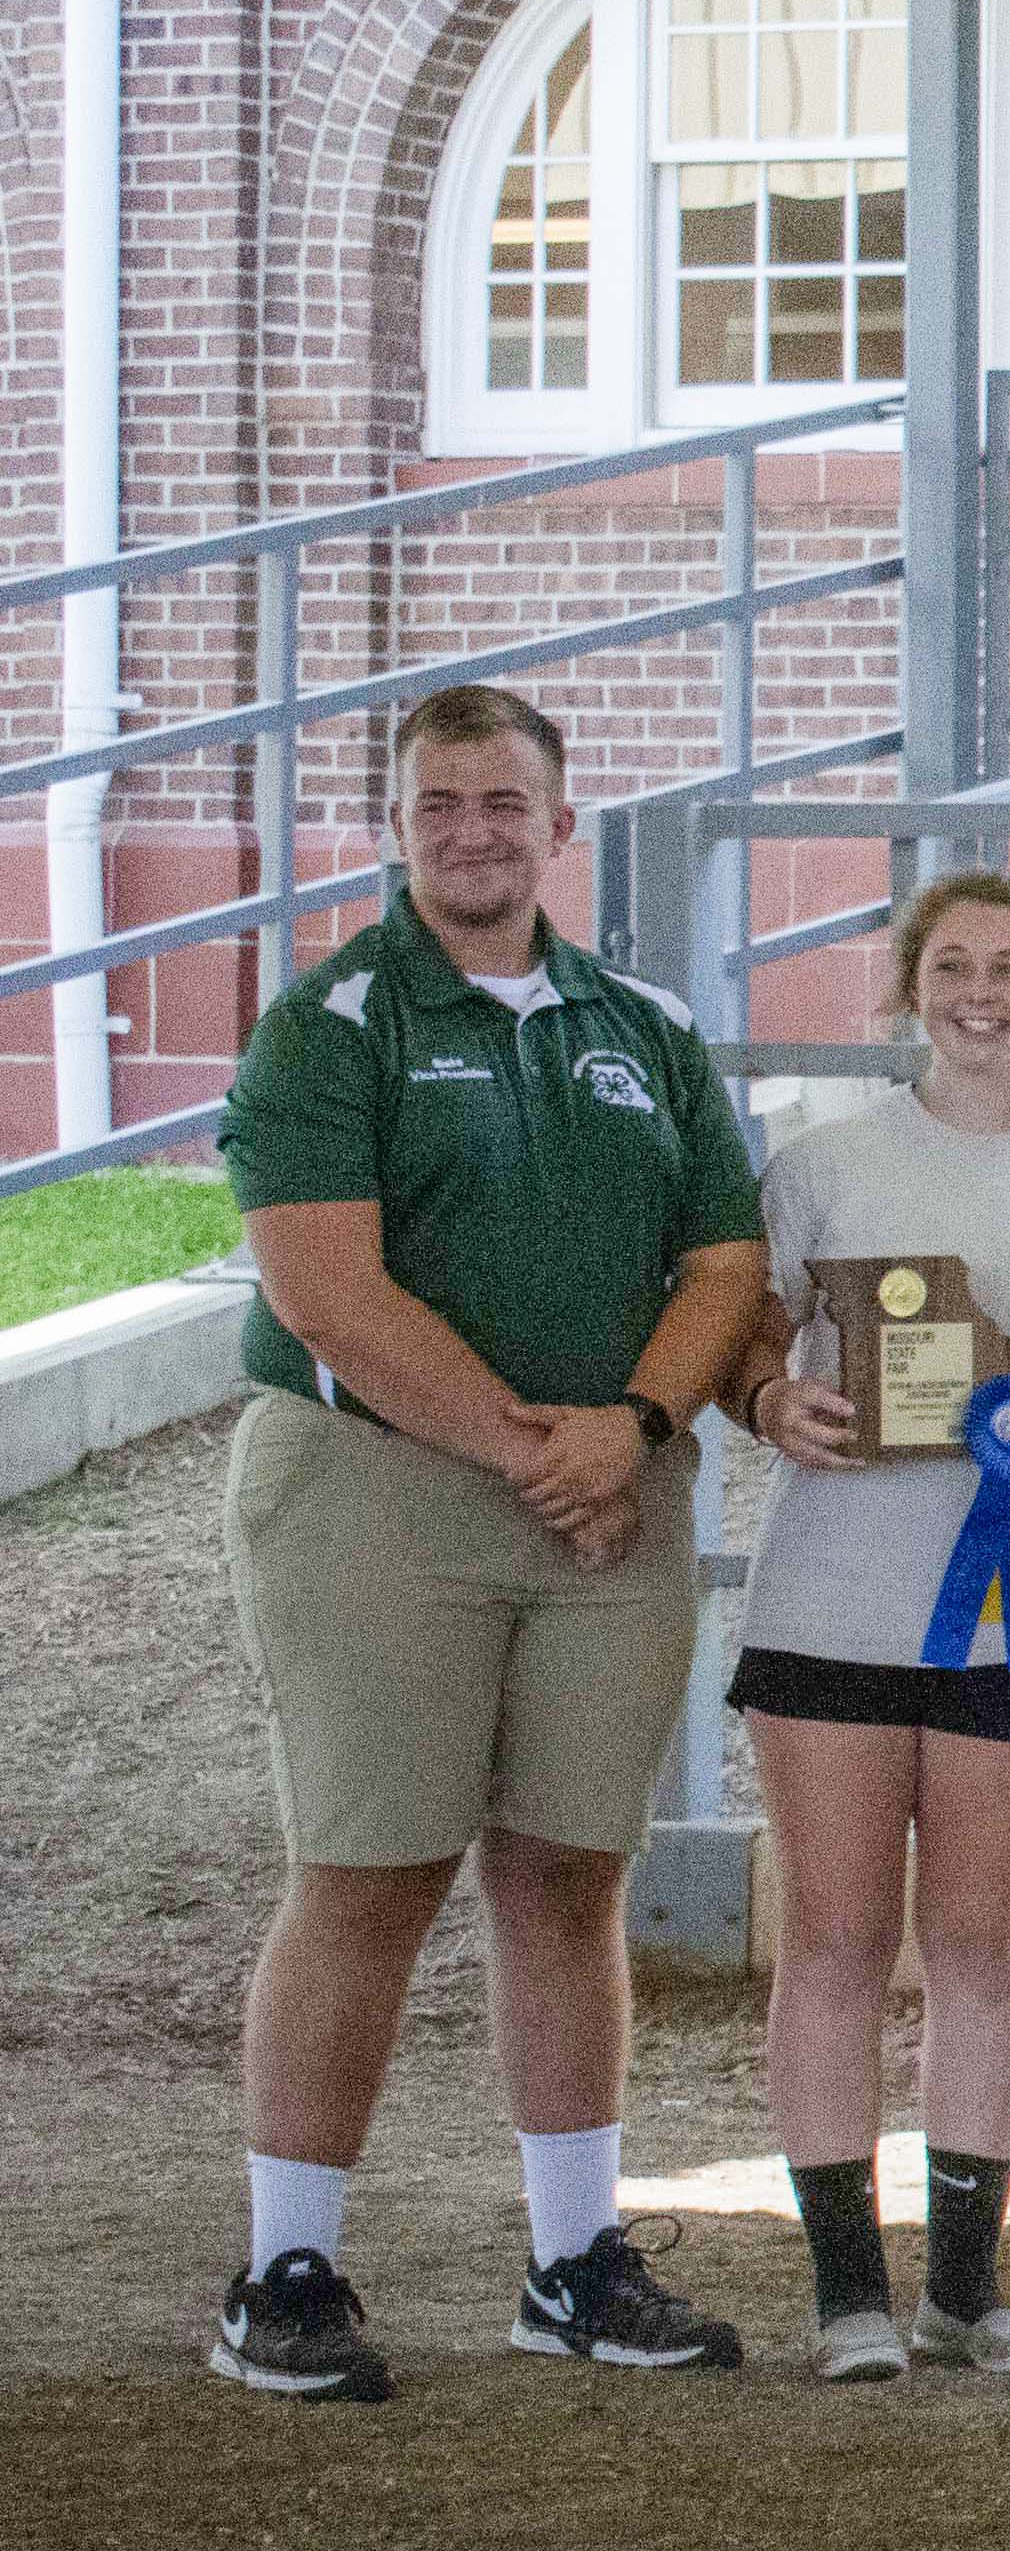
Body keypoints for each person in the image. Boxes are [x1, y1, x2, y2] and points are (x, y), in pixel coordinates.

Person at [206, 679, 777, 2398]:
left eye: (502, 801)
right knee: (368, 1871)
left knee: (568, 1872)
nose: (472, 830)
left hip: (612, 1491)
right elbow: (324, 1285)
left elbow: (725, 1266)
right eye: (438, 802)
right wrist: (541, 1446)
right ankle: (286, 2269)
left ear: (559, 825)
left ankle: (573, 2258)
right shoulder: (330, 1024)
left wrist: (643, 1427)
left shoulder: (645, 1028)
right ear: (393, 828)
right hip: (383, 1488)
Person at [726, 871, 1010, 2380]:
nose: (982, 994)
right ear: (910, 990)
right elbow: (749, 1340)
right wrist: (775, 1398)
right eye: (953, 966)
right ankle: (849, 2295)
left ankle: (967, 2288)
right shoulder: (825, 1162)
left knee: (984, 1942)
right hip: (833, 1603)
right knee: (835, 1941)